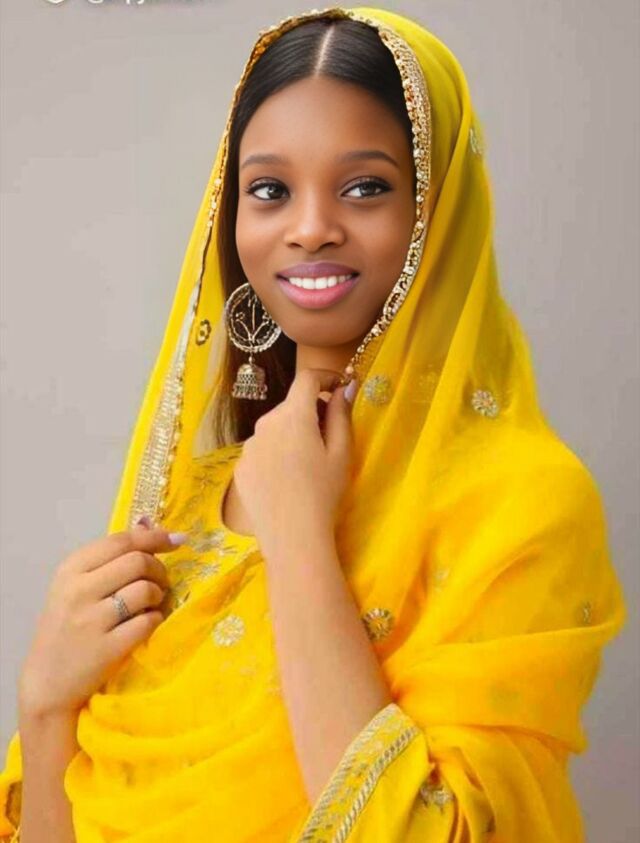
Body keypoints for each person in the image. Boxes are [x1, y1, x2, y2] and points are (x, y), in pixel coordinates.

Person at [0, 6, 627, 842]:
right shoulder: (192, 501)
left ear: (438, 209)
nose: (309, 229)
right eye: (269, 190)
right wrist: (46, 708)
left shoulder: (521, 505)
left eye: (365, 187)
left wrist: (299, 536)